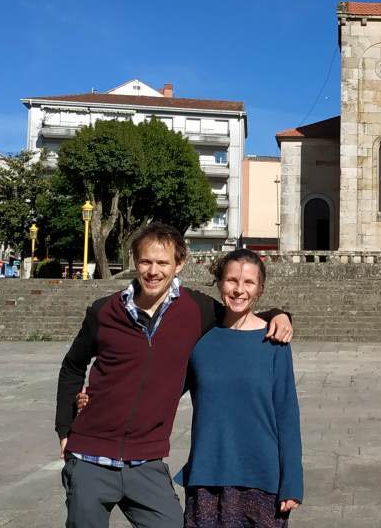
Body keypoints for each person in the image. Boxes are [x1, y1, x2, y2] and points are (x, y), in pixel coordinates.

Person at [56, 222, 293, 528]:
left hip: (146, 462)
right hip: (90, 456)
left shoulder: (197, 309)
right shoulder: (103, 311)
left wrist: (279, 315)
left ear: (179, 264)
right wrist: (65, 429)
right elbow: (72, 366)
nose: (153, 271)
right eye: (145, 261)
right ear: (134, 262)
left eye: (163, 262)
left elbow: (241, 310)